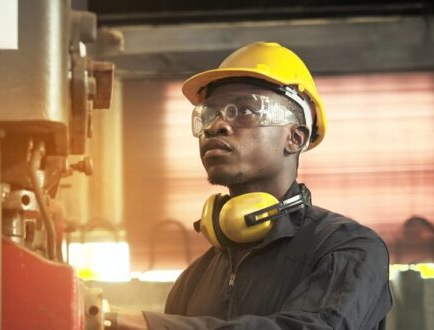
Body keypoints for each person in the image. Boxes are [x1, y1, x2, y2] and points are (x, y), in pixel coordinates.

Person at [118, 42, 392, 329]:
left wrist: (151, 325)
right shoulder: (194, 278)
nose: (216, 126)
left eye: (246, 111)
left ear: (295, 138)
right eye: (209, 114)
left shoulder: (347, 248)